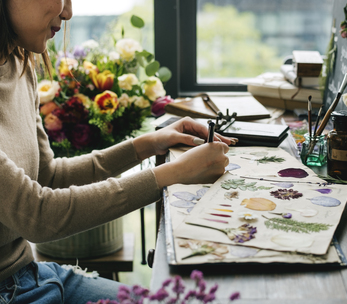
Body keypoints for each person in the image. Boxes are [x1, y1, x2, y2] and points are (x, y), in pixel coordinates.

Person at [0, 0, 236, 303]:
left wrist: (148, 144)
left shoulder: (19, 64)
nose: (68, 12)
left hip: (30, 276)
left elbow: (48, 176)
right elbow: (36, 215)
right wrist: (173, 173)